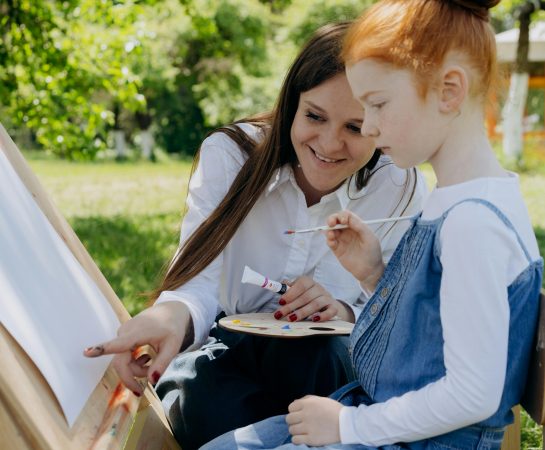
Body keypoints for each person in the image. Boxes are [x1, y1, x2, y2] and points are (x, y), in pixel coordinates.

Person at [201, 1, 544, 449]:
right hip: (383, 420)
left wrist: (348, 426)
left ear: (449, 91)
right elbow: (435, 331)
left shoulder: (474, 222)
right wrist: (373, 274)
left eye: (377, 107)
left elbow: (474, 395)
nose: (372, 131)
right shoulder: (457, 201)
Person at [84, 21, 426, 450]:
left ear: (380, 125)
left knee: (320, 376)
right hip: (226, 351)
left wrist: (341, 309)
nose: (329, 143)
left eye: (354, 128)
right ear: (291, 105)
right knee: (205, 400)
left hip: (328, 362)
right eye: (314, 116)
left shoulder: (397, 186)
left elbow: (393, 311)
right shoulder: (231, 156)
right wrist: (170, 316)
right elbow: (199, 280)